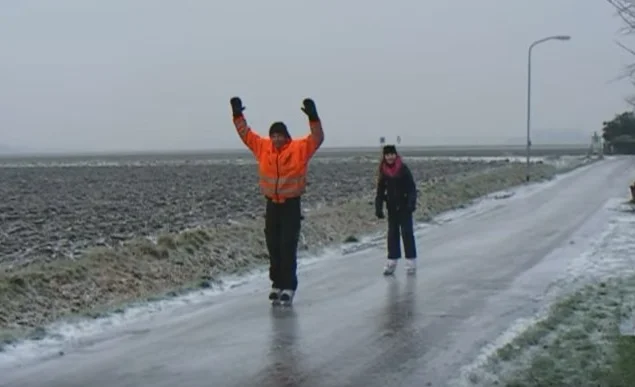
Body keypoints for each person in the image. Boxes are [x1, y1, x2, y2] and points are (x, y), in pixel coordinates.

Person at [230, 96, 324, 304]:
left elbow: (317, 138)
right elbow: (246, 135)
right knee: (273, 246)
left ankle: (289, 286)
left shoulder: (299, 149)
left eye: (280, 135)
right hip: (272, 204)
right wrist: (237, 115)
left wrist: (314, 117)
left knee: (287, 245)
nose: (277, 139)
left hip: (291, 205)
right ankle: (276, 284)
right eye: (274, 135)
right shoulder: (263, 148)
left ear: (286, 136)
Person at [374, 145, 418, 275]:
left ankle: (411, 261)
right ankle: (392, 261)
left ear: (395, 155)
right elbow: (380, 191)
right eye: (387, 155)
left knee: (407, 233)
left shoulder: (403, 169)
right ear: (384, 156)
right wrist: (378, 207)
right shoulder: (383, 171)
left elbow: (411, 188)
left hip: (405, 207)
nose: (390, 157)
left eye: (392, 154)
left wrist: (411, 203)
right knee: (392, 234)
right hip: (392, 208)